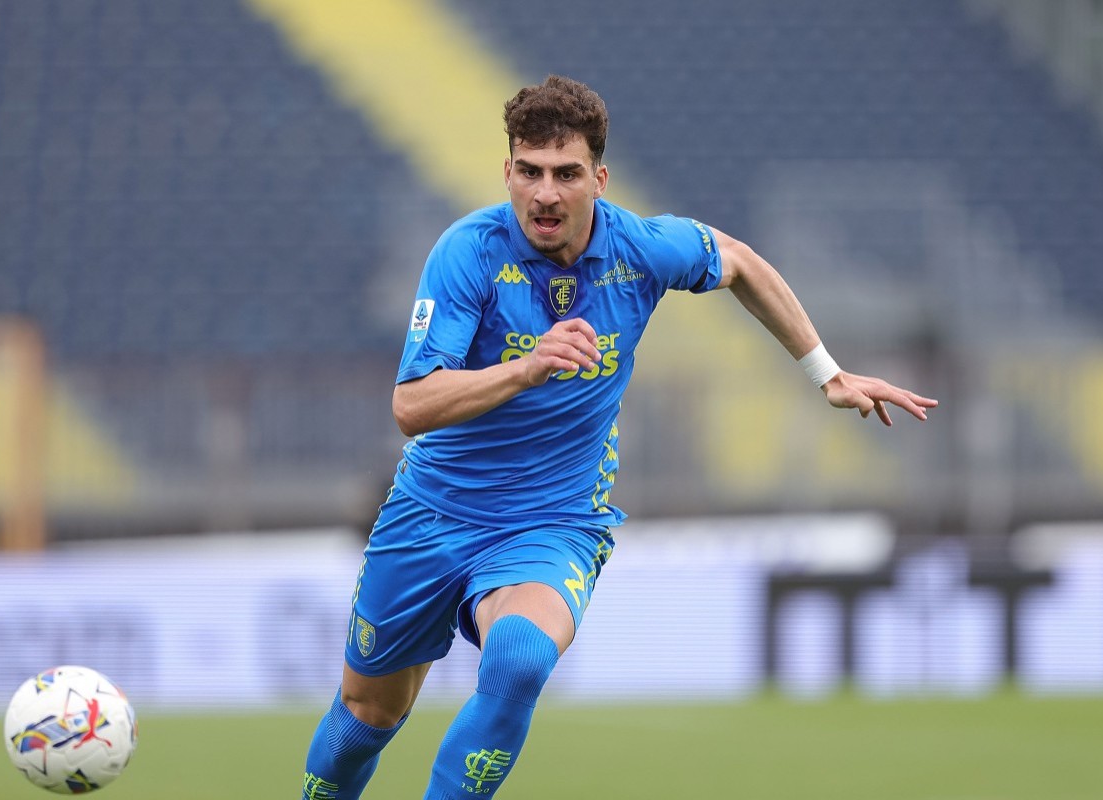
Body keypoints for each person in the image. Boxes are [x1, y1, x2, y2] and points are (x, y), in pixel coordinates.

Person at [301, 74, 937, 800]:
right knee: (365, 718)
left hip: (553, 519)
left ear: (598, 180)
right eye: (530, 172)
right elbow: (412, 406)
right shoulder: (467, 253)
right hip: (433, 512)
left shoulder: (641, 248)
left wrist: (826, 372)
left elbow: (738, 261)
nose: (545, 194)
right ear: (507, 172)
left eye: (566, 174)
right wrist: (526, 368)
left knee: (519, 660)